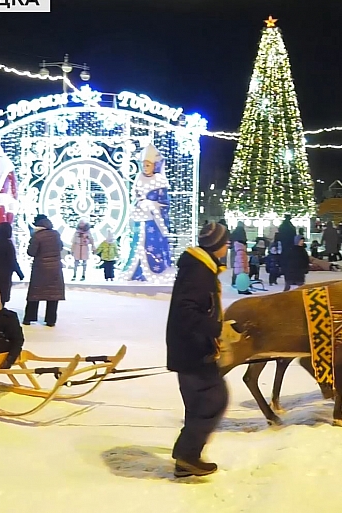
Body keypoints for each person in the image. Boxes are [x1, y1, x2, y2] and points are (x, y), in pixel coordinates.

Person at [166, 221, 230, 478]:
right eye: (225, 243)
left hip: (190, 347)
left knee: (198, 404)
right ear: (217, 246)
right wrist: (215, 329)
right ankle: (187, 455)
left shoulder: (200, 267)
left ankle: (186, 460)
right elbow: (186, 311)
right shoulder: (199, 272)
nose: (227, 247)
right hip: (193, 350)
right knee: (213, 400)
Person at [125, 143, 173, 281]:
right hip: (140, 220)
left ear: (154, 165)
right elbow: (135, 198)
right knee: (137, 245)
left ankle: (157, 270)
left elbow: (165, 203)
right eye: (143, 165)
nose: (145, 168)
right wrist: (140, 203)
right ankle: (137, 272)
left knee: (152, 246)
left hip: (154, 223)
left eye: (148, 165)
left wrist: (152, 205)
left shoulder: (160, 181)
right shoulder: (138, 179)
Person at [24, 214, 65, 327]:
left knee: (35, 294)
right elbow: (60, 247)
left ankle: (29, 318)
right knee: (53, 295)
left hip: (40, 268)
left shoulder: (37, 236)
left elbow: (31, 252)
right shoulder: (56, 234)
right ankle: (50, 320)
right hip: (55, 268)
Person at [0, 222, 24, 304]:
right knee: (3, 295)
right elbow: (12, 260)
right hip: (5, 272)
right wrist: (19, 273)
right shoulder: (8, 244)